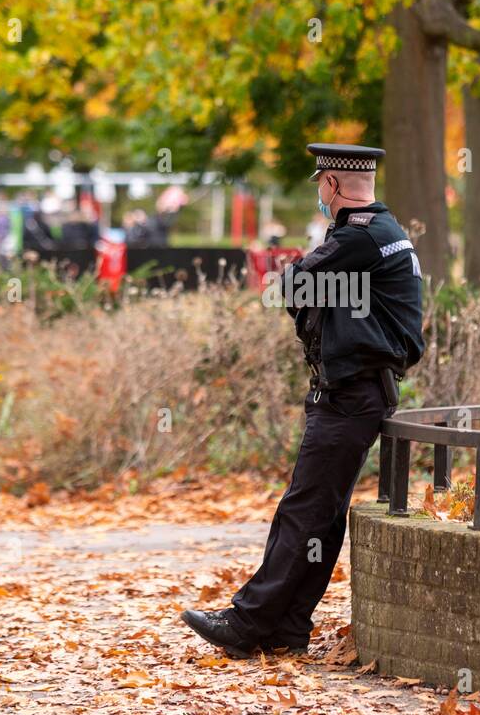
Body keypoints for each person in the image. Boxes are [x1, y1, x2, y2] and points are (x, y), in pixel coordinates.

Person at [181, 143, 425, 657]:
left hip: (350, 396)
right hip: (355, 393)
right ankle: (289, 626)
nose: (319, 192)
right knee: (322, 514)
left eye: (320, 183)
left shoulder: (360, 237)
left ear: (333, 185)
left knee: (303, 509)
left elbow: (285, 287)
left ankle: (248, 624)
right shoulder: (383, 233)